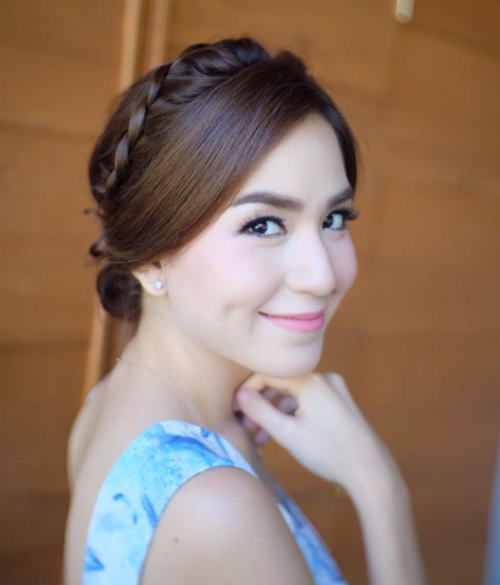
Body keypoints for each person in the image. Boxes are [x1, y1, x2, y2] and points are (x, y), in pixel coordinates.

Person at [63, 36, 428, 585]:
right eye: (263, 224)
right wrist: (379, 487)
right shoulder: (214, 506)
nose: (323, 276)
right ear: (150, 258)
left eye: (334, 219)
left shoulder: (110, 403)